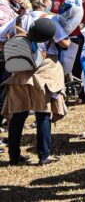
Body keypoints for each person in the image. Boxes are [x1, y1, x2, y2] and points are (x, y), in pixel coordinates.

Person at [3, 16, 65, 166]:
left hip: (18, 75)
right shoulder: (49, 28)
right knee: (43, 114)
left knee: (17, 116)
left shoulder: (20, 22)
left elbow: (1, 38)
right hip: (42, 76)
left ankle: (14, 157)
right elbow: (65, 43)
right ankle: (44, 156)